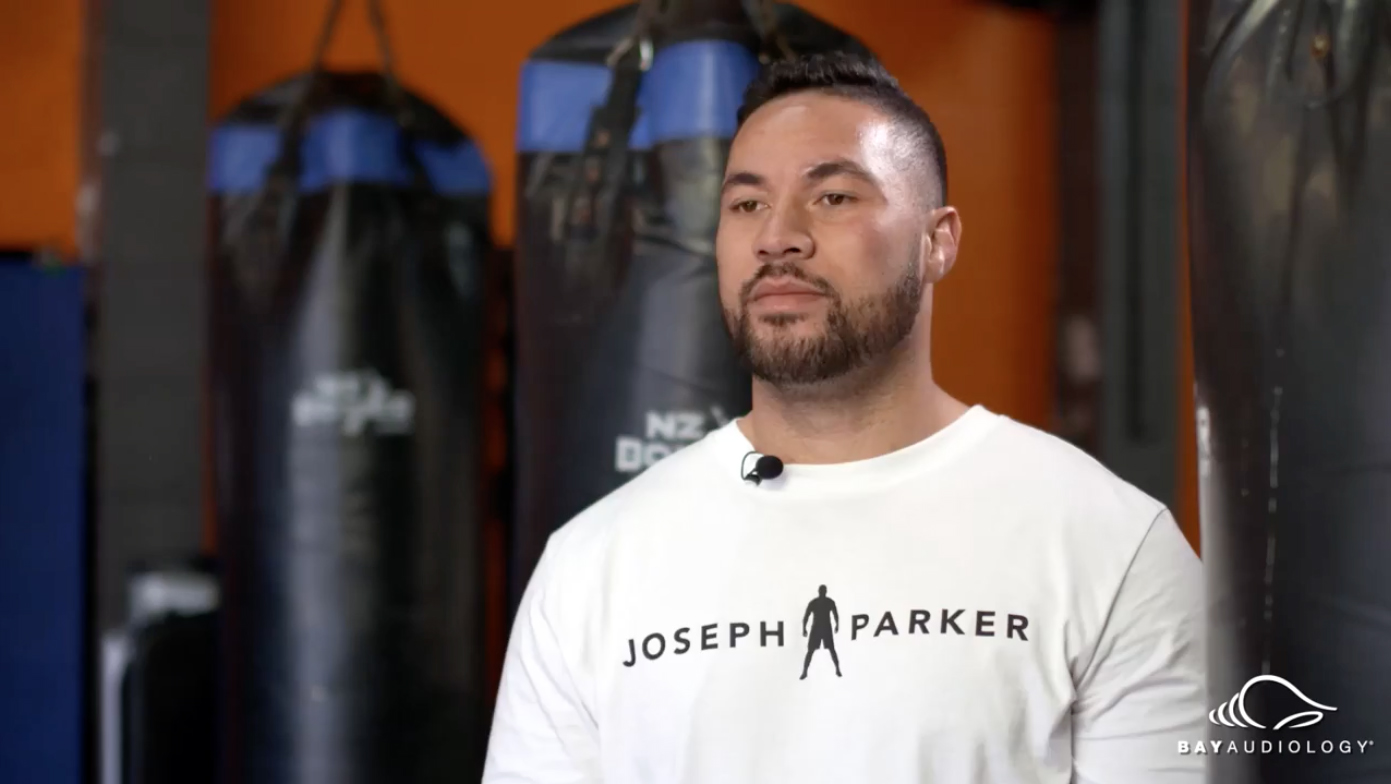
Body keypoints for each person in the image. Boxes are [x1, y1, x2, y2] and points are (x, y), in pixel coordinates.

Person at [483, 51, 1205, 783]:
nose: (777, 236)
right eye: (745, 204)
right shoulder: (591, 565)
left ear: (937, 240)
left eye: (832, 197)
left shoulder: (1108, 543)